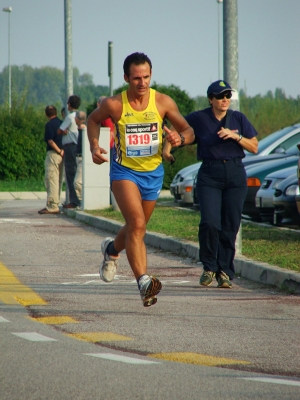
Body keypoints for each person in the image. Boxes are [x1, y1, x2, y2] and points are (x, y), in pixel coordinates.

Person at [87, 52, 194, 307]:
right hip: (124, 172)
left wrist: (181, 139)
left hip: (153, 173)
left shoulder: (162, 102)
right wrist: (94, 144)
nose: (142, 83)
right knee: (136, 223)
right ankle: (144, 282)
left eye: (146, 77)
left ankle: (112, 250)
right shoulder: (115, 104)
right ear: (126, 78)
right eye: (136, 78)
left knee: (138, 227)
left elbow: (188, 130)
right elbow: (92, 119)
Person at [164, 80, 258, 289]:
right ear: (211, 99)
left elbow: (254, 146)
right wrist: (167, 150)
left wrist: (236, 136)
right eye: (220, 96)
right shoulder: (199, 118)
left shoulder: (238, 118)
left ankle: (224, 271)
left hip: (235, 174)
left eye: (227, 96)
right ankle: (209, 267)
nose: (224, 100)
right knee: (210, 223)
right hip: (209, 174)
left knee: (230, 225)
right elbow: (176, 130)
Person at [38, 105, 64, 215]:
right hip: (63, 154)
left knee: (51, 179)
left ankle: (52, 206)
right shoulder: (62, 123)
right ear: (56, 112)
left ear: (46, 114)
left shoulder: (49, 125)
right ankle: (56, 202)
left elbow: (50, 141)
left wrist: (58, 151)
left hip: (54, 154)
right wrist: (63, 151)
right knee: (58, 180)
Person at [58, 95, 81, 209]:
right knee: (76, 172)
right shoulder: (80, 116)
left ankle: (74, 200)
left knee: (70, 173)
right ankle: (77, 198)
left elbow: (59, 130)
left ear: (69, 105)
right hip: (77, 146)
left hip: (69, 146)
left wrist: (64, 132)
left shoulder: (70, 117)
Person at [97, 96, 115, 164]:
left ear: (98, 104)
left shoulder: (105, 117)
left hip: (108, 147)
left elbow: (110, 132)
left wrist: (106, 146)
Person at [74, 111, 87, 203]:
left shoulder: (83, 130)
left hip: (82, 157)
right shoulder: (80, 129)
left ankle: (83, 201)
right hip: (78, 157)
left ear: (77, 119)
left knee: (77, 182)